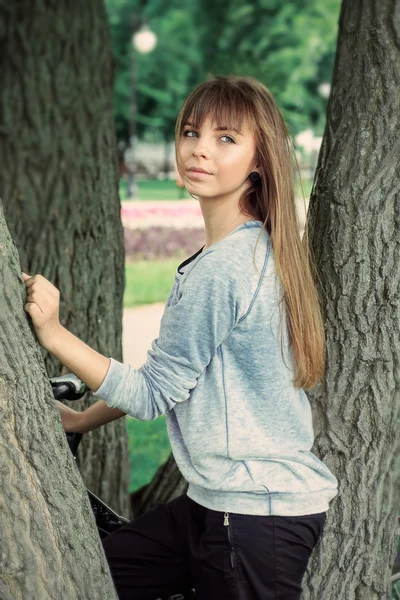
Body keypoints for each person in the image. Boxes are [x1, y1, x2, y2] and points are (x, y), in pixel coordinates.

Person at [22, 75, 338, 600]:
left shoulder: (229, 267)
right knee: (83, 575)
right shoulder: (236, 252)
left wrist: (53, 333)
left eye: (226, 138)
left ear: (259, 161)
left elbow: (151, 395)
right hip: (212, 505)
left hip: (257, 518)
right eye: (191, 132)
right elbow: (172, 379)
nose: (199, 149)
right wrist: (81, 419)